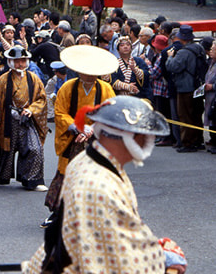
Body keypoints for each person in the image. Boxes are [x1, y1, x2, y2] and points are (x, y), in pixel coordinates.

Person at [22, 96, 187, 274]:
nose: (149, 140)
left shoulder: (89, 159)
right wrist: (161, 260)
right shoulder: (97, 186)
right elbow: (114, 259)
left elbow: (117, 234)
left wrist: (155, 248)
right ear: (131, 136)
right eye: (145, 134)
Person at [43, 45, 117, 220]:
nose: (89, 74)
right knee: (66, 174)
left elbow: (112, 113)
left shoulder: (106, 89)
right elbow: (60, 112)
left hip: (96, 139)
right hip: (73, 138)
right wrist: (77, 127)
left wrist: (93, 128)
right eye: (86, 70)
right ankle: (58, 214)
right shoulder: (68, 87)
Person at [0, 45, 48, 190]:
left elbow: (41, 99)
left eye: (22, 60)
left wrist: (31, 110)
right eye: (17, 61)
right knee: (1, 148)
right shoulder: (3, 79)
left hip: (27, 120)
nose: (20, 64)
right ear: (11, 62)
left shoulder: (33, 79)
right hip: (8, 119)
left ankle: (33, 180)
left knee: (34, 148)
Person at [165, 25, 206, 152]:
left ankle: (187, 142)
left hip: (185, 87)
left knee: (184, 115)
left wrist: (169, 57)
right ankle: (198, 140)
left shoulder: (183, 52)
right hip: (197, 85)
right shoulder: (199, 48)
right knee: (196, 114)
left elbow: (173, 67)